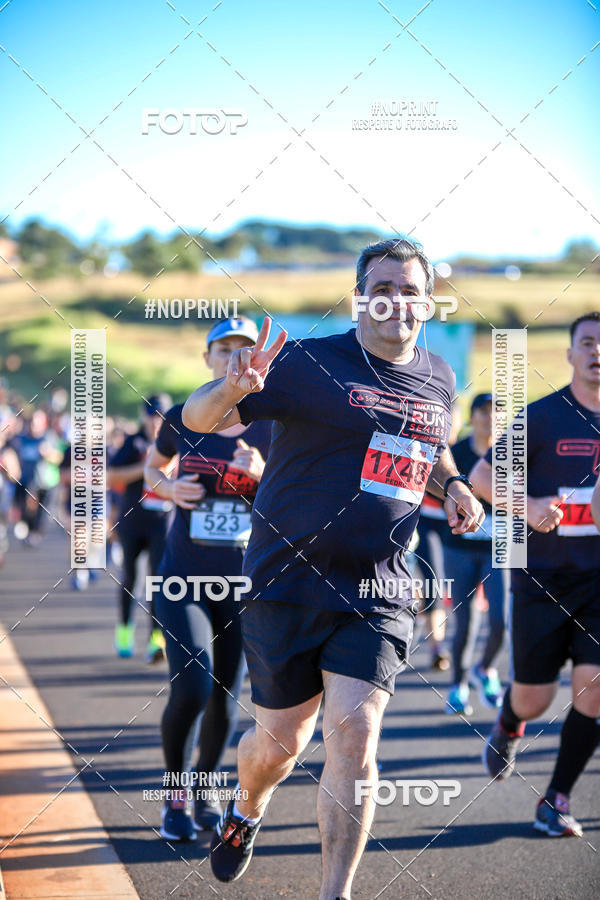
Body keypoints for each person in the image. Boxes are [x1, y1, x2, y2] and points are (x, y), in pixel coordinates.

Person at [183, 238, 484, 897]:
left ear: (427, 299)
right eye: (383, 287)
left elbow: (430, 452)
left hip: (379, 587)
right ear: (359, 297)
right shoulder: (305, 363)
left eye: (410, 289)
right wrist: (229, 386)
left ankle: (334, 894)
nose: (396, 300)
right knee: (278, 748)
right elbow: (197, 418)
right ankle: (245, 809)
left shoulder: (440, 377)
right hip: (285, 580)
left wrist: (455, 487)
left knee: (355, 734)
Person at [471, 312, 600, 838]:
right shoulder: (542, 419)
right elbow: (480, 476)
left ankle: (556, 798)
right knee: (534, 698)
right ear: (569, 354)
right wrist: (525, 505)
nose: (597, 352)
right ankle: (508, 724)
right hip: (541, 580)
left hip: (598, 583)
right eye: (587, 343)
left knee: (593, 691)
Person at [144, 316, 272, 842]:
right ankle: (175, 796)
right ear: (208, 359)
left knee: (225, 695)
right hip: (183, 580)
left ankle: (202, 790)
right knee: (193, 687)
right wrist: (169, 491)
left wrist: (263, 473)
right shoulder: (184, 417)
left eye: (243, 349)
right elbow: (153, 469)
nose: (233, 358)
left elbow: (296, 495)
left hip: (242, 586)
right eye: (223, 350)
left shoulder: (269, 423)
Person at [443, 393, 509, 715]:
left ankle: (486, 669)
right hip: (460, 548)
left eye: (496, 412)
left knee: (502, 621)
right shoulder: (455, 454)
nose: (490, 418)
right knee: (464, 621)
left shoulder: (513, 453)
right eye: (483, 412)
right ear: (472, 417)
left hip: (502, 548)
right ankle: (458, 686)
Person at [107, 395, 171, 661]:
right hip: (133, 522)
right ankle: (124, 629)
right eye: (153, 414)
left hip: (161, 524)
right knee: (130, 578)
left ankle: (157, 640)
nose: (157, 420)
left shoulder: (173, 443)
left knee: (158, 582)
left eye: (162, 415)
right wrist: (147, 469)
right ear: (144, 416)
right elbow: (111, 476)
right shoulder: (134, 442)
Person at [412, 399, 462, 671]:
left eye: (456, 420)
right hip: (427, 522)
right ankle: (438, 647)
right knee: (435, 579)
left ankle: (420, 609)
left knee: (447, 584)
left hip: (455, 526)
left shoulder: (466, 449)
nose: (451, 427)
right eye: (447, 421)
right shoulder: (430, 449)